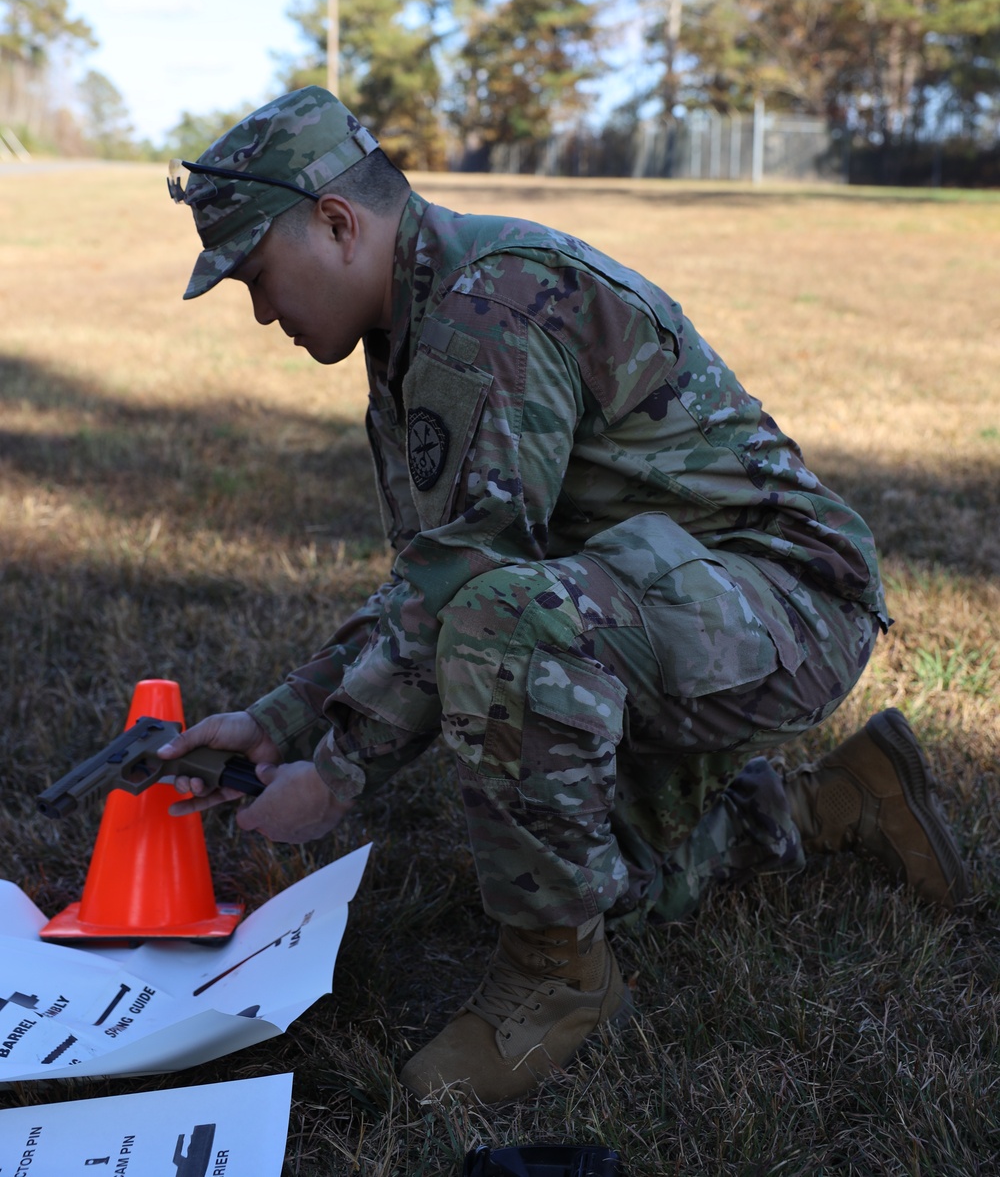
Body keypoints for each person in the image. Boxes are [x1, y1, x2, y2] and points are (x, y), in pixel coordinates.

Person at [158, 86, 967, 1106]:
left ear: (337, 222)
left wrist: (340, 770)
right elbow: (431, 577)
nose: (264, 311)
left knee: (507, 627)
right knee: (615, 882)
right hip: (676, 601)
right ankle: (838, 799)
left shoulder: (482, 305)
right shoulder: (419, 313)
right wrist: (283, 718)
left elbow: (478, 582)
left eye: (258, 277)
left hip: (788, 604)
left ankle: (555, 982)